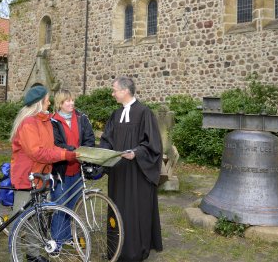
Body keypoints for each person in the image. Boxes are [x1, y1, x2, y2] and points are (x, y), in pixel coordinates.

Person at [100, 76, 163, 262]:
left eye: (115, 90)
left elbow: (153, 145)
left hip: (138, 174)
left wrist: (136, 153)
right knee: (118, 209)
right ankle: (116, 249)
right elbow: (107, 140)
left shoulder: (144, 113)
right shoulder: (115, 115)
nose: (113, 94)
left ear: (125, 91)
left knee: (136, 211)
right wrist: (99, 156)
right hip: (119, 174)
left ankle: (136, 250)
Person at [10, 85, 78, 213]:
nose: (49, 102)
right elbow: (36, 152)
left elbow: (49, 147)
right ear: (39, 103)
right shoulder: (28, 123)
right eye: (47, 100)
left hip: (41, 176)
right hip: (27, 177)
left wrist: (66, 153)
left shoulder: (45, 121)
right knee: (20, 220)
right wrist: (64, 155)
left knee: (38, 219)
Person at [49, 89, 96, 240]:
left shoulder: (81, 118)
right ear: (60, 103)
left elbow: (89, 138)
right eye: (67, 101)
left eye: (72, 100)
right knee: (61, 206)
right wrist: (74, 152)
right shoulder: (53, 121)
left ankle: (67, 237)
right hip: (60, 171)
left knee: (73, 206)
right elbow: (56, 143)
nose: (71, 103)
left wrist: (85, 151)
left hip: (77, 170)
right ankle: (56, 241)